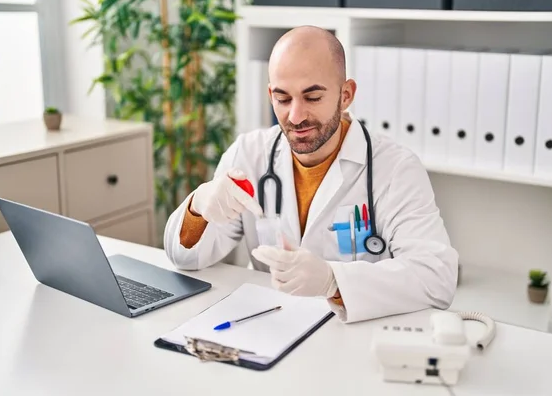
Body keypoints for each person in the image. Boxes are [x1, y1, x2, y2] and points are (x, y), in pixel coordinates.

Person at [164, 25, 458, 323]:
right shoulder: (249, 155)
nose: (295, 116)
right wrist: (199, 206)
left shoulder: (394, 168)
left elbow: (437, 278)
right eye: (283, 99)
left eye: (312, 97)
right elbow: (187, 259)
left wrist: (334, 281)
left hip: (352, 336)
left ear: (346, 95)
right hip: (271, 326)